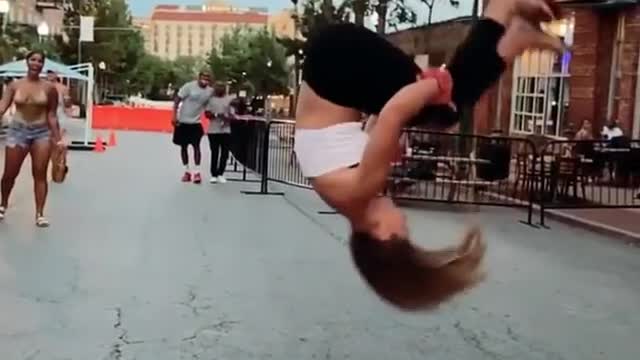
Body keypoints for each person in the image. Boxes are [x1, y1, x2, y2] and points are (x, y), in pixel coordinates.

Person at [293, 0, 565, 310]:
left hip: (338, 62)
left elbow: (394, 112)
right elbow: (378, 121)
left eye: (404, 229)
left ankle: (503, 14)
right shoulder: (345, 193)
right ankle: (513, 39)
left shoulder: (360, 191)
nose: (403, 218)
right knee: (440, 110)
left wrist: (436, 86)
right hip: (331, 60)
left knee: (443, 107)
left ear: (383, 235)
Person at [0, 50, 63, 227]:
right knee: (9, 174)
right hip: (17, 132)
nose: (36, 63)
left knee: (40, 174)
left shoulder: (49, 89)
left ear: (43, 65)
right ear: (27, 62)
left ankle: (40, 214)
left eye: (40, 61)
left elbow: (52, 115)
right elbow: (3, 106)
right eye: (33, 60)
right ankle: (3, 204)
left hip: (41, 133)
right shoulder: (15, 85)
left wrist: (58, 140)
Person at [172, 71, 214, 184]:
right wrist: (174, 116)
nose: (205, 80)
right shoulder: (189, 86)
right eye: (203, 77)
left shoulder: (210, 91)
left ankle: (197, 173)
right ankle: (187, 171)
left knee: (196, 146)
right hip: (183, 121)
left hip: (196, 123)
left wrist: (211, 114)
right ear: (199, 78)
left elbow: (208, 107)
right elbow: (177, 100)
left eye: (207, 78)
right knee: (183, 147)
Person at [205, 82, 235, 184]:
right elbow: (207, 114)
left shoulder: (229, 100)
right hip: (213, 130)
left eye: (222, 87)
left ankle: (220, 173)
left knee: (225, 153)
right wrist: (217, 114)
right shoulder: (211, 100)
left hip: (226, 130)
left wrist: (227, 118)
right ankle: (213, 174)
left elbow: (232, 115)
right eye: (218, 87)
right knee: (215, 152)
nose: (220, 89)